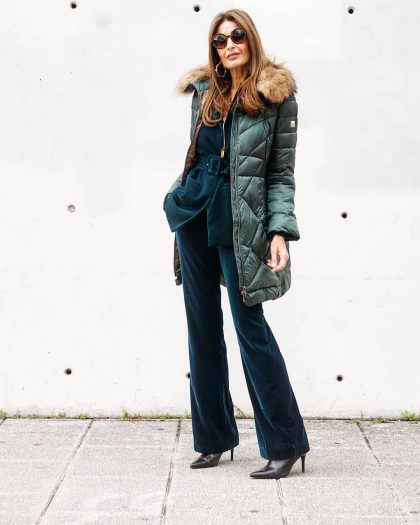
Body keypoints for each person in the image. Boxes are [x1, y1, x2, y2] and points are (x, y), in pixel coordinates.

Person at [163, 8, 310, 479]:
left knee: (251, 328)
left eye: (237, 36)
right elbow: (195, 155)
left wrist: (279, 231)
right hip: (194, 216)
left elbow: (280, 174)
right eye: (220, 40)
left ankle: (286, 444)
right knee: (202, 327)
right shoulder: (204, 92)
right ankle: (213, 439)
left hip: (242, 221)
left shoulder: (276, 96)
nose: (228, 45)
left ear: (251, 39)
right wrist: (175, 199)